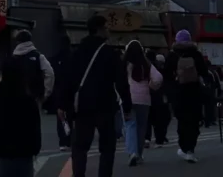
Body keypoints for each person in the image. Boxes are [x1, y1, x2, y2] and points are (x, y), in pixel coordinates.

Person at [59, 13, 132, 177]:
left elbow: (68, 79)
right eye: (107, 27)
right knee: (107, 146)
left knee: (80, 146)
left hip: (83, 106)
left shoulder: (77, 52)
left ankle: (79, 174)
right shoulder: (110, 53)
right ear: (99, 29)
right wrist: (126, 105)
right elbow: (121, 81)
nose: (109, 31)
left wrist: (63, 104)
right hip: (105, 105)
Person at [0, 56, 42, 177]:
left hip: (1, 154)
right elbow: (35, 131)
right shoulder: (29, 101)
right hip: (24, 156)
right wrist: (34, 149)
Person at [164, 29, 207, 163]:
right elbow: (204, 72)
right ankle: (190, 150)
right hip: (194, 93)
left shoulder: (172, 55)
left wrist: (170, 93)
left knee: (182, 122)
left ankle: (183, 147)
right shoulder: (196, 54)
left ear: (176, 40)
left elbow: (166, 76)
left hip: (179, 94)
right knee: (194, 122)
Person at [123, 40, 162, 166]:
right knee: (141, 128)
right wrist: (150, 86)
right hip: (144, 99)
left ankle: (132, 152)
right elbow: (158, 78)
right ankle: (139, 154)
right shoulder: (146, 63)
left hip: (129, 98)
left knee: (130, 125)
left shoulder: (125, 63)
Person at [12, 30, 55, 107]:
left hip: (15, 96)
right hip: (35, 97)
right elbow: (50, 73)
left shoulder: (13, 57)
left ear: (18, 42)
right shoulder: (39, 56)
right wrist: (46, 93)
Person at [149, 54, 171, 146]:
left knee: (158, 119)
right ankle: (160, 137)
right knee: (163, 118)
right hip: (160, 97)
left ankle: (160, 136)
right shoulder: (162, 71)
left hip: (153, 97)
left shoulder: (151, 69)